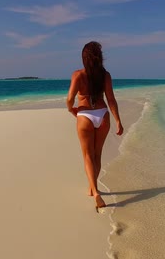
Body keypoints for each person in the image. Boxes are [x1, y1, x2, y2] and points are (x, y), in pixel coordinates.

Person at [66, 41, 124, 212]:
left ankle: (95, 191)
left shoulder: (78, 75)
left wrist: (72, 110)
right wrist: (118, 120)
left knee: (87, 156)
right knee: (97, 154)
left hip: (84, 116)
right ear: (100, 58)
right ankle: (93, 187)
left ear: (84, 58)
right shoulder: (105, 76)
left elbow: (69, 99)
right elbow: (111, 99)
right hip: (103, 115)